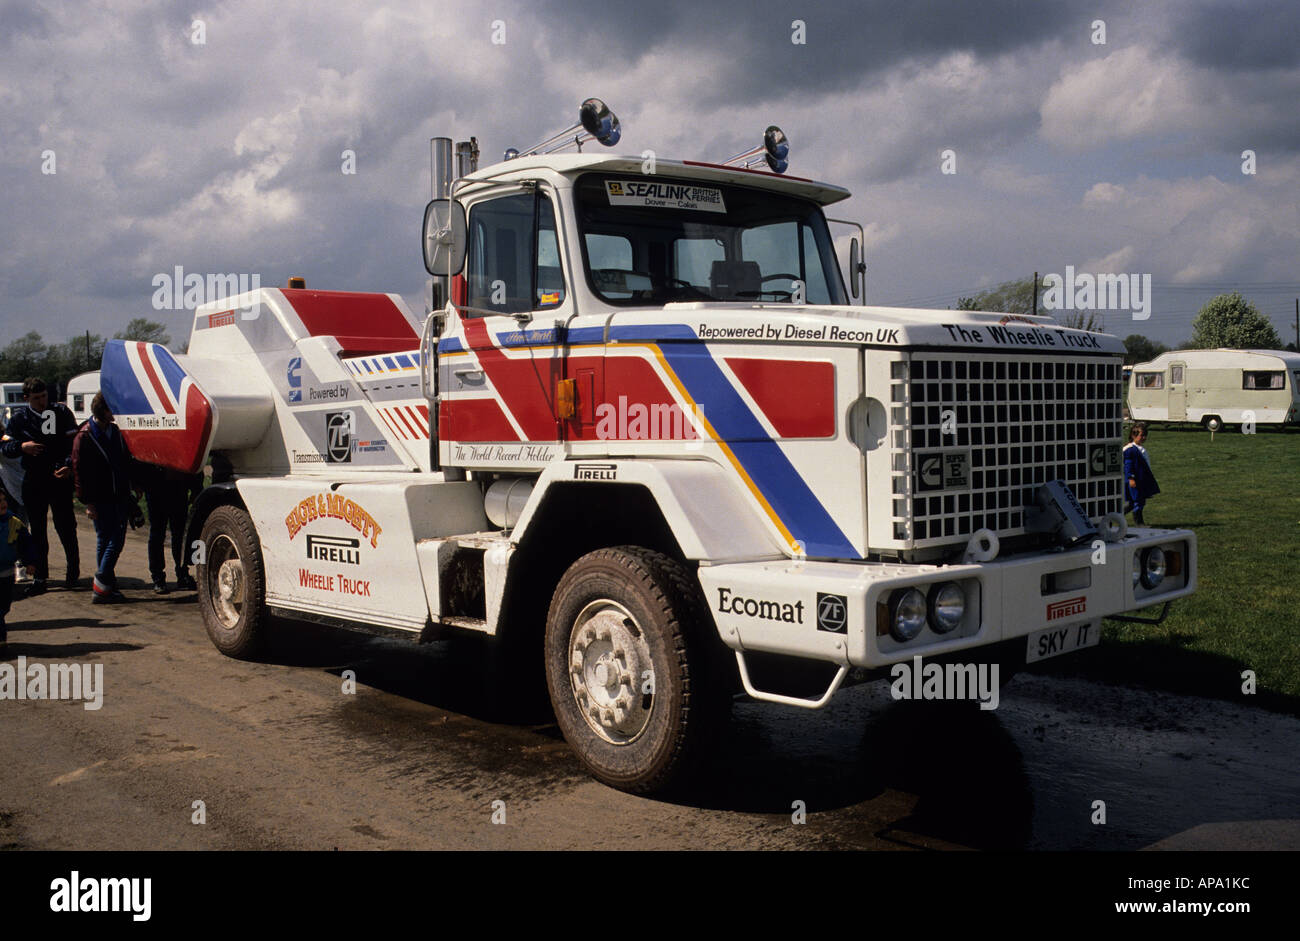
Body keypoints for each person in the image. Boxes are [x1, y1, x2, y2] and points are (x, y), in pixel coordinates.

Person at [0, 378, 80, 594]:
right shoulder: (20, 419)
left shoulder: (61, 414)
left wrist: (67, 466)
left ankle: (73, 574)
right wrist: (22, 446)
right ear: (26, 399)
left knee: (66, 527)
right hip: (34, 479)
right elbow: (5, 446)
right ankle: (40, 578)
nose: (42, 401)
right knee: (38, 531)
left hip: (58, 478)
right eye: (36, 398)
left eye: (44, 396)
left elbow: (74, 444)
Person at [71, 393, 141, 604]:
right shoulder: (84, 436)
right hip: (100, 497)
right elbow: (78, 472)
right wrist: (88, 503)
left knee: (107, 539)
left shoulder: (116, 432)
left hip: (118, 493)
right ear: (103, 411)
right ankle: (101, 583)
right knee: (113, 540)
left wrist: (134, 484)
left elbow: (126, 461)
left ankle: (105, 588)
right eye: (113, 409)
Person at [138, 462, 202, 593]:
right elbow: (143, 460)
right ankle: (158, 578)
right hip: (156, 487)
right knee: (157, 534)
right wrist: (139, 483)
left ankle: (182, 573)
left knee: (179, 534)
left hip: (178, 486)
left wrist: (196, 488)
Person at [1, 485, 33, 652]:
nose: (2, 504)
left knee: (5, 605)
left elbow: (25, 544)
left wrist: (29, 562)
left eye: (3, 500)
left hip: (6, 573)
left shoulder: (14, 522)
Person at [1123, 421, 1160, 526]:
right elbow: (1128, 465)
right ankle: (1139, 523)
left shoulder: (1140, 449)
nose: (1144, 438)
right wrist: (1131, 478)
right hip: (1134, 480)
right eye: (1141, 435)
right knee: (1138, 501)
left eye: (1145, 436)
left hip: (1141, 479)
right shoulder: (1130, 450)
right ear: (1133, 435)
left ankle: (1116, 517)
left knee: (1131, 503)